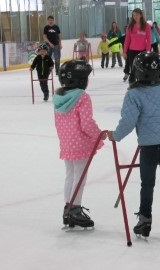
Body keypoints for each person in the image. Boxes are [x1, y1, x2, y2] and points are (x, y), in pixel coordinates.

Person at [107, 51, 160, 239]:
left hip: (150, 147)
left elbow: (128, 121)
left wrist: (115, 135)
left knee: (147, 185)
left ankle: (145, 221)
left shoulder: (134, 94)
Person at [53, 60, 106, 229]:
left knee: (70, 174)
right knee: (80, 177)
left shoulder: (59, 97)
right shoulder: (82, 97)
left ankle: (68, 208)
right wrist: (99, 135)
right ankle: (75, 209)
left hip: (67, 143)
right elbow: (86, 123)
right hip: (81, 143)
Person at [123, 8, 151, 85]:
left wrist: (148, 52)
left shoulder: (146, 26)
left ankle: (143, 84)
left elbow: (149, 40)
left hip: (143, 51)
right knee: (133, 69)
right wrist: (125, 51)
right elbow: (127, 40)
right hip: (132, 51)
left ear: (141, 15)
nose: (135, 16)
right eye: (133, 15)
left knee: (143, 68)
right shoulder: (130, 27)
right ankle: (132, 84)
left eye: (137, 15)